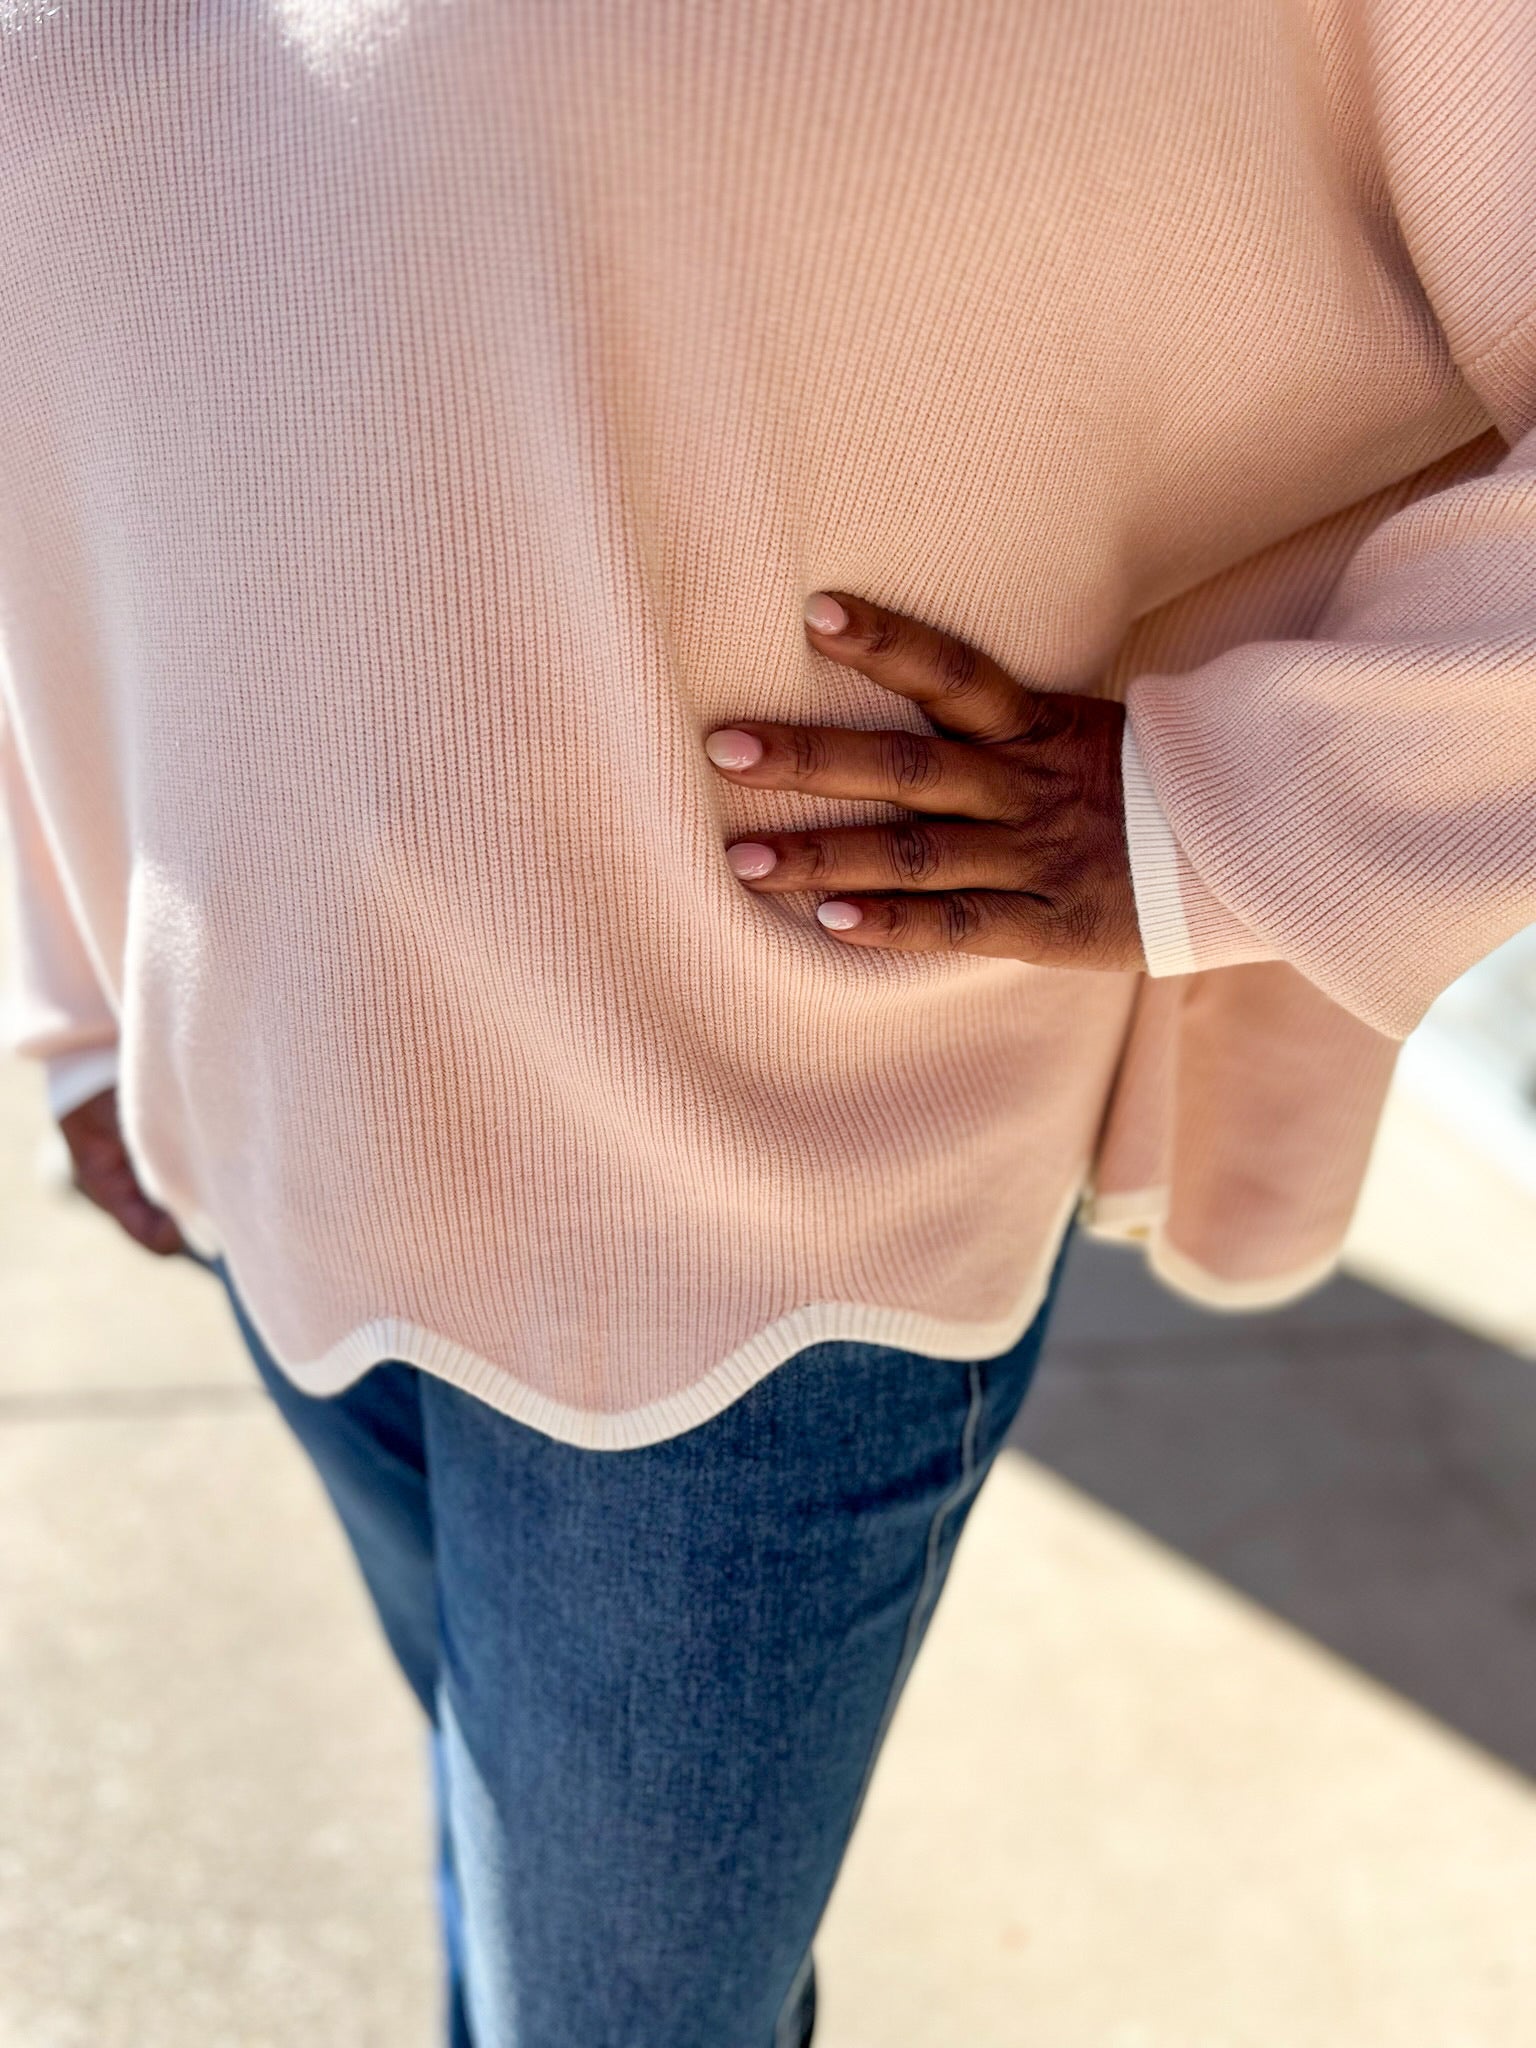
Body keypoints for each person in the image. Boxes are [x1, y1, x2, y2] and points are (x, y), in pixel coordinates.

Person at [1, 4, 1532, 2042]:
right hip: (258, 1107)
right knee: (514, 1861)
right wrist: (74, 982)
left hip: (755, 1213)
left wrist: (1253, 796)